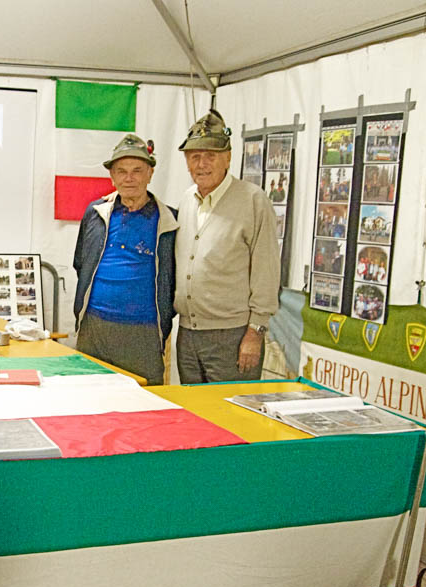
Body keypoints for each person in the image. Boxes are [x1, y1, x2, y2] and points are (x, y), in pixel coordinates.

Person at [173, 110, 280, 383]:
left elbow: (266, 271)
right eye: (194, 156)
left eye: (211, 155)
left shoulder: (253, 200)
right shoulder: (186, 200)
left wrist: (255, 332)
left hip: (234, 335)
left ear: (228, 158)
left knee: (231, 407)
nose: (202, 164)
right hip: (187, 334)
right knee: (191, 408)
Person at [72, 134, 178, 385]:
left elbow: (175, 277)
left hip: (144, 333)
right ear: (112, 176)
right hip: (94, 327)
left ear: (150, 173)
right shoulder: (95, 213)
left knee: (144, 401)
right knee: (89, 395)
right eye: (121, 171)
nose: (129, 178)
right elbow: (80, 263)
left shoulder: (170, 220)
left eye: (137, 171)